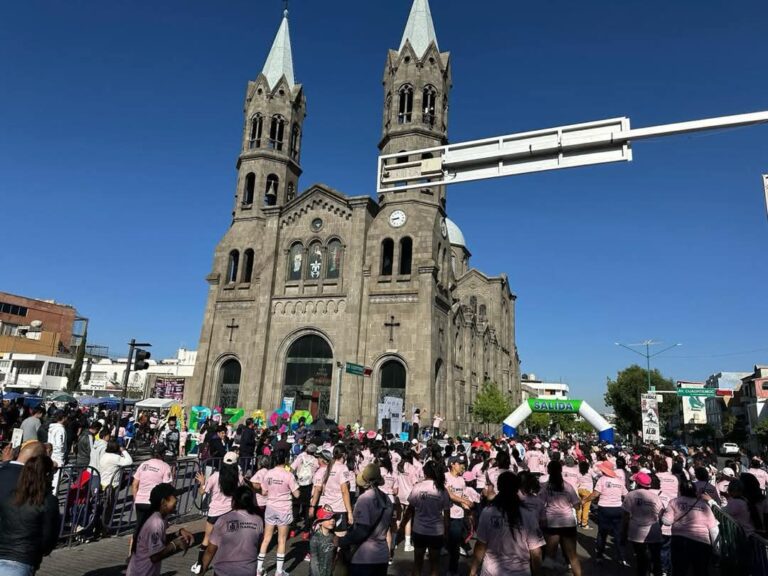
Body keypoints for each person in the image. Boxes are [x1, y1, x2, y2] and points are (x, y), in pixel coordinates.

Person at [469, 471, 545, 576]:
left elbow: (480, 545)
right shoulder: (528, 515)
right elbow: (536, 553)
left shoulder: (487, 512)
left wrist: (472, 572)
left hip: (491, 572)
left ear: (499, 487)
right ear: (516, 488)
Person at [0, 455, 61, 575]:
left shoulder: (10, 497)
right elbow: (49, 536)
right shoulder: (48, 501)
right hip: (23, 558)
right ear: (47, 475)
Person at [338, 463, 394, 576]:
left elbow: (361, 531)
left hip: (364, 556)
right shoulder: (387, 499)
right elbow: (387, 528)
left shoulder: (364, 499)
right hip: (381, 555)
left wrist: (342, 541)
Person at [127, 483, 194, 576]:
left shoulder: (156, 517)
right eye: (174, 497)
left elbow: (157, 540)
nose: (177, 500)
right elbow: (154, 556)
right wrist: (175, 545)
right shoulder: (156, 522)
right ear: (163, 502)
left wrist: (178, 533)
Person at [191, 451, 243, 574]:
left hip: (214, 513)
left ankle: (199, 564)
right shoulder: (239, 478)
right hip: (231, 513)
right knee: (228, 541)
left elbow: (202, 492)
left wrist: (202, 482)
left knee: (207, 538)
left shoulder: (215, 476)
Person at [199, 485, 264, 576]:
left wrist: (203, 570)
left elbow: (210, 550)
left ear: (234, 501)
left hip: (223, 572)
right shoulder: (258, 521)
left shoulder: (223, 520)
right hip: (248, 571)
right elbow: (258, 544)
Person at [661, 479, 718, 576]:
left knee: (679, 570)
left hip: (679, 541)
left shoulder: (674, 502)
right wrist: (717, 548)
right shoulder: (704, 505)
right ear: (695, 491)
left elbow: (667, 522)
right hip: (702, 542)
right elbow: (713, 529)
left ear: (681, 490)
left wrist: (663, 514)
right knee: (700, 570)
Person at [402, 460, 450, 576]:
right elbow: (447, 514)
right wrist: (446, 532)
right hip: (436, 532)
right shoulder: (442, 490)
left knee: (417, 564)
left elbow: (410, 509)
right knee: (435, 565)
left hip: (419, 530)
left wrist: (403, 524)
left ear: (425, 472)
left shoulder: (418, 487)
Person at [257, 449, 299, 576]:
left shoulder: (268, 474)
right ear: (285, 460)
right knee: (281, 540)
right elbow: (297, 494)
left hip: (270, 507)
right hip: (284, 509)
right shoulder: (288, 475)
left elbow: (264, 492)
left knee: (266, 539)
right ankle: (279, 571)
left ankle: (258, 569)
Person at [539, 460, 582, 575]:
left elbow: (540, 505)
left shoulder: (545, 487)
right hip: (568, 522)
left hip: (551, 522)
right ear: (561, 471)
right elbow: (577, 506)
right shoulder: (568, 486)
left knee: (549, 557)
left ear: (548, 471)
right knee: (573, 557)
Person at [583, 459, 629, 567]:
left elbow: (595, 494)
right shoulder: (619, 481)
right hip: (618, 508)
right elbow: (626, 495)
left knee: (602, 533)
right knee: (618, 534)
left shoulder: (602, 480)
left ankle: (599, 556)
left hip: (604, 509)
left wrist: (585, 500)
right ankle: (621, 557)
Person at [131, 443, 173, 553]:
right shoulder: (165, 466)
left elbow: (135, 484)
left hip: (140, 501)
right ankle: (153, 551)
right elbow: (166, 488)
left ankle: (131, 553)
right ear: (163, 454)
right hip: (154, 502)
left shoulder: (143, 464)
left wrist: (136, 499)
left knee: (139, 527)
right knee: (154, 528)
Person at [622, 471, 664, 576]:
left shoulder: (631, 495)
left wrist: (623, 531)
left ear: (637, 483)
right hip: (653, 532)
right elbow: (661, 515)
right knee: (655, 559)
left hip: (636, 533)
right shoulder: (655, 497)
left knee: (641, 560)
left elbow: (626, 516)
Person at [444, 455, 472, 576]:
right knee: (451, 544)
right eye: (458, 463)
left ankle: (452, 570)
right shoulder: (446, 477)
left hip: (459, 516)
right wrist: (465, 501)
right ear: (452, 465)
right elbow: (450, 495)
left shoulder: (461, 480)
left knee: (454, 544)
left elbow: (463, 494)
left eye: (462, 463)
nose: (461, 466)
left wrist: (468, 503)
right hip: (447, 514)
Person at [292, 442, 319, 537]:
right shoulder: (316, 460)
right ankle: (306, 531)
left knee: (295, 507)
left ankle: (293, 529)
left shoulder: (300, 456)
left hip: (298, 484)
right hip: (309, 485)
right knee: (308, 507)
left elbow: (292, 467)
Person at [309, 505, 337, 576]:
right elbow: (314, 560)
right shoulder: (315, 539)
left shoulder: (332, 536)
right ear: (320, 522)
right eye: (328, 518)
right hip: (317, 572)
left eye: (333, 518)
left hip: (328, 571)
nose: (332, 520)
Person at [575, 460, 594, 529]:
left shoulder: (578, 471)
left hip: (579, 489)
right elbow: (595, 476)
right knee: (586, 507)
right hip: (588, 490)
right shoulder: (590, 470)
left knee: (579, 506)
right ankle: (584, 524)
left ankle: (579, 521)